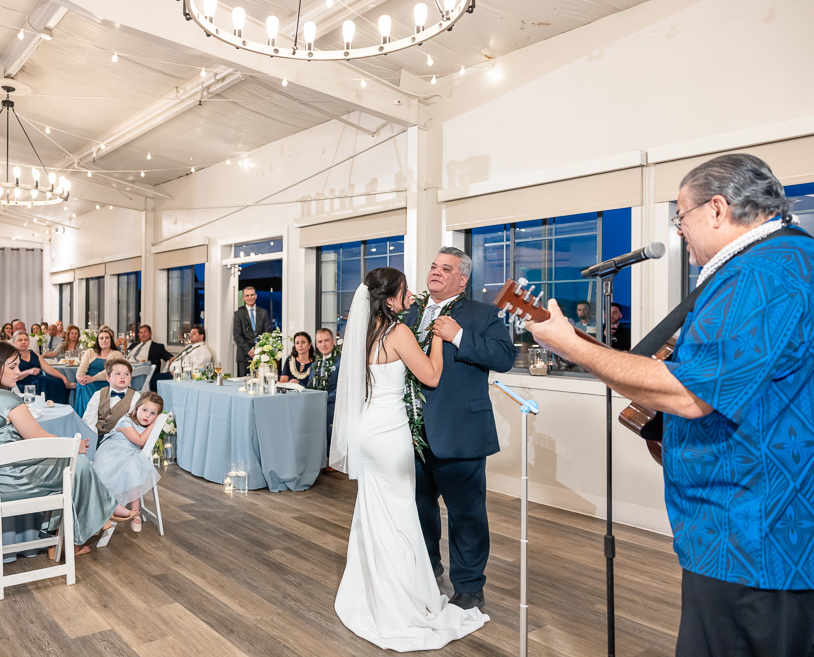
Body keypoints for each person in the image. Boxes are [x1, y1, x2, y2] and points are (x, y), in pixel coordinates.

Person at [526, 153, 814, 655]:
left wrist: (572, 347)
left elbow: (690, 392)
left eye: (681, 215)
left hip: (750, 533)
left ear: (718, 209)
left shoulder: (759, 274)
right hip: (753, 523)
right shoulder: (783, 260)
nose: (679, 229)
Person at [332, 267, 488, 650]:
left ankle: (373, 591)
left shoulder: (364, 332)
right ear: (390, 300)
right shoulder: (398, 332)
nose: (410, 296)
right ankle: (400, 599)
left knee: (374, 513)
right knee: (400, 514)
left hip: (366, 429)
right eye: (404, 291)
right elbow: (432, 376)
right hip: (389, 433)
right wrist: (436, 336)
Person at [405, 247, 517, 612]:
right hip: (411, 432)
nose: (435, 272)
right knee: (419, 508)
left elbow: (504, 358)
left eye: (446, 268)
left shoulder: (483, 314)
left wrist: (457, 336)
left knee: (467, 514)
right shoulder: (411, 313)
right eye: (433, 266)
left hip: (461, 430)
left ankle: (469, 586)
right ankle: (428, 568)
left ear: (463, 279)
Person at [0, 342, 135, 557]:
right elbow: (40, 437)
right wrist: (73, 446)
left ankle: (69, 534)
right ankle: (85, 526)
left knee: (69, 467)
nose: (18, 372)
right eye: (12, 367)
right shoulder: (6, 399)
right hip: (5, 482)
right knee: (76, 464)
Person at [92, 392, 164, 535]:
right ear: (137, 408)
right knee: (121, 471)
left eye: (152, 414)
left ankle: (134, 513)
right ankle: (105, 512)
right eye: (144, 410)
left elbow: (141, 446)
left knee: (133, 468)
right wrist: (155, 424)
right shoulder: (125, 422)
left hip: (129, 454)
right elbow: (139, 441)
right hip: (112, 453)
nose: (147, 416)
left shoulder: (145, 426)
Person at [12, 332, 74, 404]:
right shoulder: (12, 357)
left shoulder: (34, 354)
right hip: (24, 384)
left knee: (58, 381)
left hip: (39, 379)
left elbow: (48, 368)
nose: (23, 342)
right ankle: (47, 406)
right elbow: (14, 376)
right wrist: (29, 371)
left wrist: (63, 377)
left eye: (26, 340)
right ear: (14, 343)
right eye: (20, 340)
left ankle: (58, 407)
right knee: (44, 381)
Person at [73, 327, 124, 414]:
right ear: (98, 341)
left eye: (107, 338)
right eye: (101, 338)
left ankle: (88, 417)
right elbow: (82, 367)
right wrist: (79, 378)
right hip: (88, 381)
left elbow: (109, 371)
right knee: (83, 385)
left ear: (111, 340)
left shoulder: (117, 354)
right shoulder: (90, 352)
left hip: (104, 381)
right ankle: (90, 417)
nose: (104, 340)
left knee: (85, 386)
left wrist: (93, 378)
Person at [81, 358, 137, 438]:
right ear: (108, 378)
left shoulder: (135, 396)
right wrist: (93, 438)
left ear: (130, 378)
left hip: (122, 438)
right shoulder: (98, 395)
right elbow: (89, 420)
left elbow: (133, 423)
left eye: (126, 374)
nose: (122, 377)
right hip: (98, 436)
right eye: (118, 374)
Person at [308, 328, 340, 462]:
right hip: (318, 403)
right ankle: (312, 456)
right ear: (316, 345)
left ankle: (331, 458)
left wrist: (323, 399)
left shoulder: (340, 363)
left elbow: (341, 388)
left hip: (335, 403)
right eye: (320, 342)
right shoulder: (315, 365)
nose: (323, 344)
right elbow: (310, 387)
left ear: (333, 342)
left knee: (323, 416)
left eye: (326, 340)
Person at [232, 286, 274, 376]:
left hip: (261, 355)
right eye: (247, 295)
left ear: (256, 296)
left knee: (261, 382)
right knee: (243, 385)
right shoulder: (238, 313)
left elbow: (267, 334)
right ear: (243, 298)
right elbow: (237, 335)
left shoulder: (264, 313)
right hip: (244, 355)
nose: (250, 297)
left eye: (252, 295)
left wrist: (258, 349)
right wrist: (249, 350)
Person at [126, 325, 172, 391]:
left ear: (150, 333)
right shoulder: (133, 345)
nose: (143, 334)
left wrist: (171, 362)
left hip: (147, 374)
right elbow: (125, 355)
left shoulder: (157, 347)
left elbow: (169, 357)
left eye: (145, 332)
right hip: (129, 371)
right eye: (141, 332)